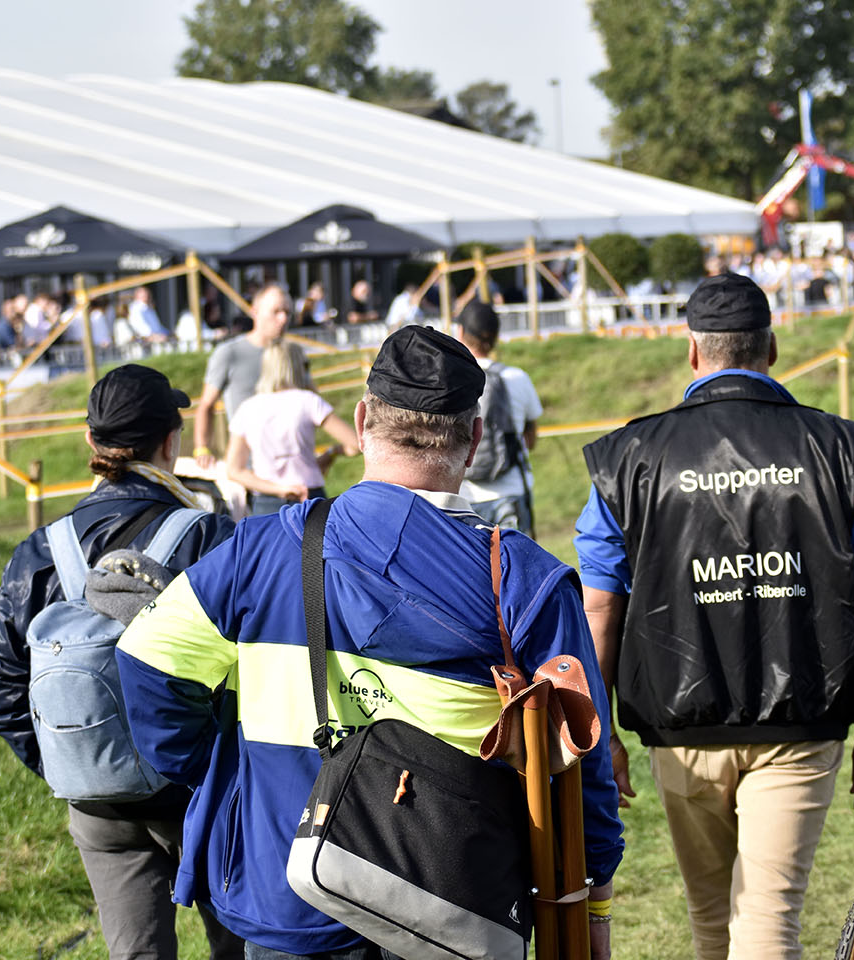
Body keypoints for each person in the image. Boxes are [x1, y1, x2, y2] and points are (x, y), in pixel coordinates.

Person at [115, 325, 624, 960]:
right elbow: (585, 764)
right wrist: (593, 901)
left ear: (361, 422)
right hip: (454, 908)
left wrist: (232, 778)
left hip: (291, 896)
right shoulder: (526, 580)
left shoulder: (256, 551)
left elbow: (144, 660)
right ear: (472, 439)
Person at [575, 273, 854, 960]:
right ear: (772, 348)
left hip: (678, 725)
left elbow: (600, 607)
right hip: (801, 724)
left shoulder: (628, 458)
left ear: (693, 353)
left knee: (712, 922)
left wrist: (598, 731)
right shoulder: (841, 451)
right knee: (768, 919)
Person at [0, 364, 243, 960]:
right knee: (242, 948)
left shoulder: (41, 551)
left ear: (91, 444)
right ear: (172, 442)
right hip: (204, 790)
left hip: (99, 804)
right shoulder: (211, 537)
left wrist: (73, 760)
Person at [225, 341, 359, 516]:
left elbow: (234, 470)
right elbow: (356, 443)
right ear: (298, 367)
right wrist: (332, 452)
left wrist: (279, 489)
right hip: (309, 496)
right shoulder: (308, 401)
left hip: (266, 501)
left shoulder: (247, 408)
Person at [455, 302, 542, 536]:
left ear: (460, 332)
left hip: (463, 498)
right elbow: (530, 439)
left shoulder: (450, 380)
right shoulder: (517, 377)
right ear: (496, 337)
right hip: (510, 492)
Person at [192, 283, 289, 468]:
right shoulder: (229, 352)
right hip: (248, 468)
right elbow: (206, 405)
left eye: (287, 312)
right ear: (255, 312)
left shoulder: (292, 355)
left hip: (291, 468)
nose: (283, 319)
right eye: (276, 311)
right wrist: (202, 449)